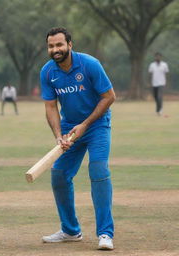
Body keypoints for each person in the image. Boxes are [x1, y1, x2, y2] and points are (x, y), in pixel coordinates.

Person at [40, 27, 116, 250]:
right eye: (51, 46)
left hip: (97, 125)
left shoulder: (89, 64)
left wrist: (85, 124)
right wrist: (58, 136)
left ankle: (105, 233)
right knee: (59, 175)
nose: (55, 49)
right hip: (69, 128)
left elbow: (109, 96)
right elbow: (51, 107)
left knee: (98, 170)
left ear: (70, 45)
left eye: (59, 45)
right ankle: (71, 231)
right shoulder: (47, 72)